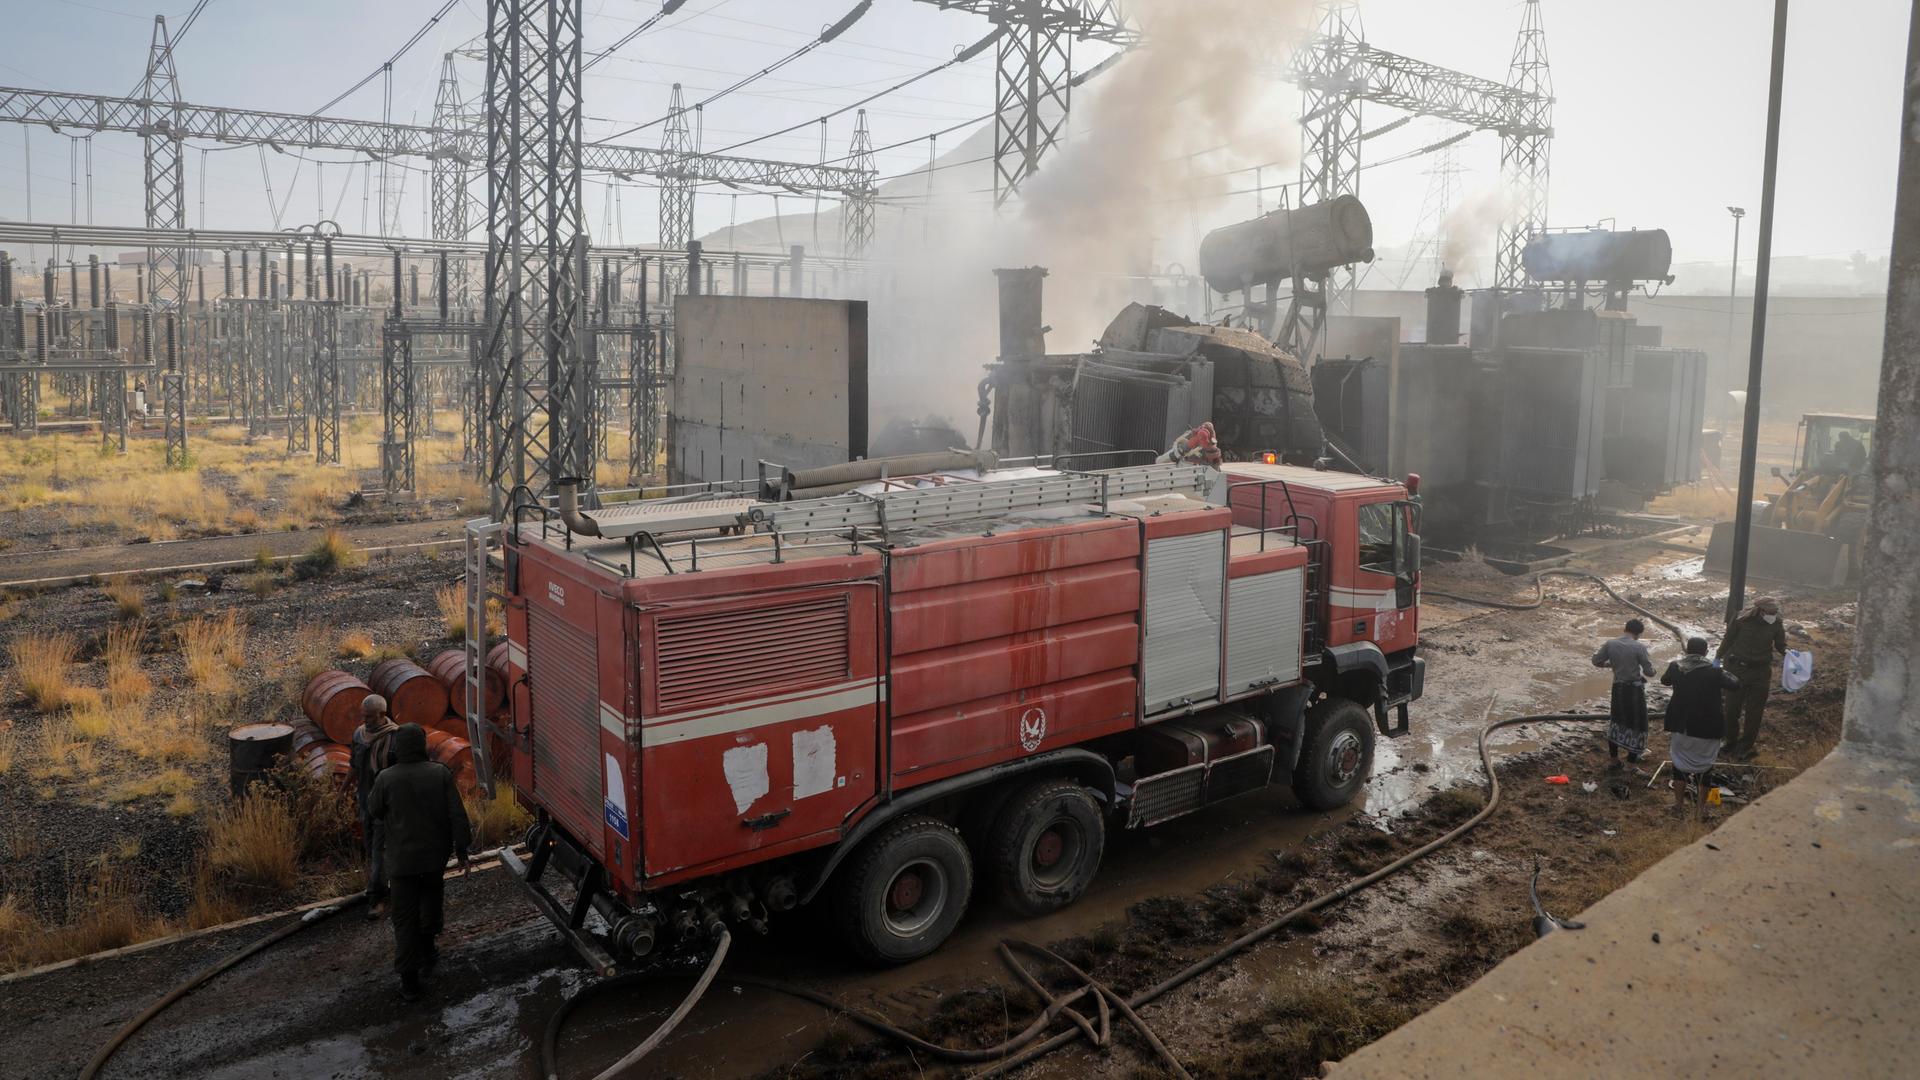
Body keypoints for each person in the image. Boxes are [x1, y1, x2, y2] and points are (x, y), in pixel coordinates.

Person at [368, 723, 472, 1001]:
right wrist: (462, 851)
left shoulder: (386, 778)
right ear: (423, 745)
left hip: (402, 863)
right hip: (433, 859)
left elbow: (374, 809)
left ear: (397, 749)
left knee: (404, 919)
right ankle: (428, 952)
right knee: (431, 903)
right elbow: (457, 816)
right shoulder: (439, 774)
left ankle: (409, 981)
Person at [1661, 636, 1741, 820]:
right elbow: (1735, 684)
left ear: (1687, 651)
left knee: (1679, 766)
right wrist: (1721, 666)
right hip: (1708, 726)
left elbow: (1664, 681)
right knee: (1705, 769)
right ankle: (1700, 810)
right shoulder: (1714, 671)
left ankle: (1679, 806)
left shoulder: (1676, 666)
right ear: (1705, 652)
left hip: (1683, 725)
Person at [1716, 596, 1787, 760]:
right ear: (1761, 610)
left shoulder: (1776, 623)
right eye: (1771, 612)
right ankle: (1730, 740)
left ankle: (1745, 745)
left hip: (1760, 673)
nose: (1774, 615)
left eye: (1776, 612)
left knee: (1754, 712)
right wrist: (1717, 657)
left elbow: (1780, 644)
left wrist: (1789, 653)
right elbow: (1728, 639)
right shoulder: (1741, 619)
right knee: (1732, 709)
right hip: (1737, 670)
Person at [349, 695, 398, 920]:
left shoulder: (395, 737)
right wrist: (342, 791)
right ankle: (385, 886)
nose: (364, 720)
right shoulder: (359, 735)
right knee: (371, 848)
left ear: (382, 714)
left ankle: (377, 898)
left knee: (380, 850)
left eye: (369, 716)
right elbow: (354, 767)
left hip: (385, 805)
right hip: (365, 801)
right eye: (363, 715)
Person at [1592, 618, 1656, 766]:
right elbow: (1649, 672)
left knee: (1617, 721)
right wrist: (1652, 670)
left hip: (1618, 687)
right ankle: (1631, 764)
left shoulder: (1610, 644)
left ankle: (1614, 760)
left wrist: (1610, 664)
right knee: (1637, 724)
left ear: (1625, 628)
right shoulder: (1639, 647)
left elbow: (1596, 661)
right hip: (1634, 690)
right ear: (1639, 633)